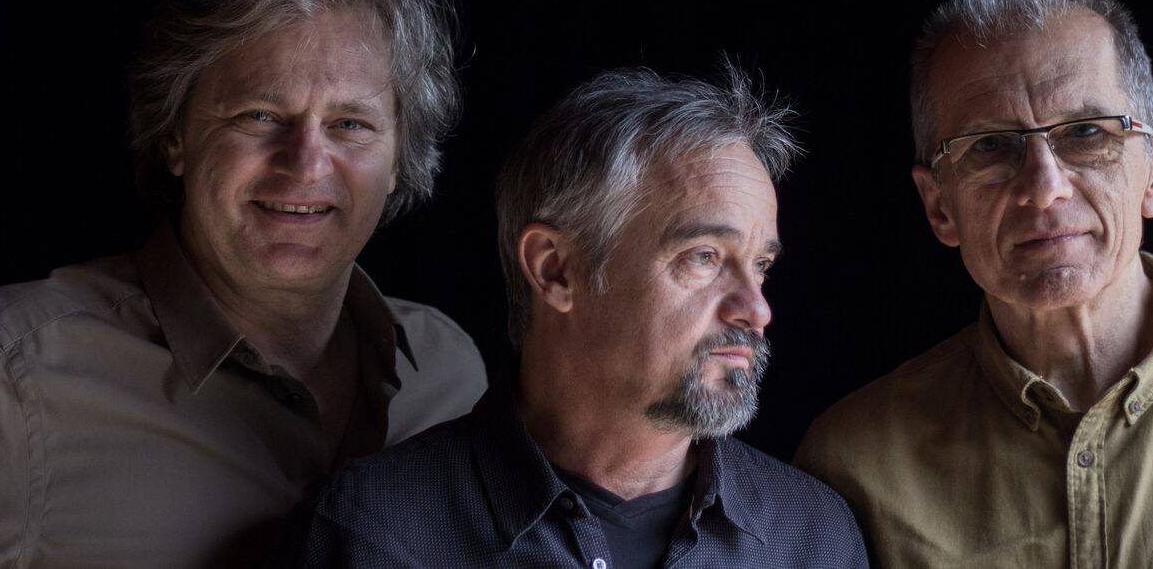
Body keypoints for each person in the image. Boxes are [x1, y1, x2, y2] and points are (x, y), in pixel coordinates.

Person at [0, 0, 487, 568]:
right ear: (176, 136)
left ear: (399, 159)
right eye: (259, 115)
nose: (305, 164)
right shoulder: (13, 377)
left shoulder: (449, 375)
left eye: (350, 123)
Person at [290, 66, 869, 568]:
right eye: (704, 257)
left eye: (761, 265)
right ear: (556, 270)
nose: (757, 310)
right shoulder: (377, 532)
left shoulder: (813, 538)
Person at [796, 0, 1153, 567]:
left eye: (1086, 133)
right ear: (939, 206)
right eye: (991, 146)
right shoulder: (854, 466)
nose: (1044, 188)